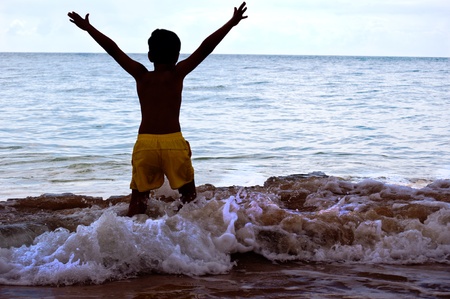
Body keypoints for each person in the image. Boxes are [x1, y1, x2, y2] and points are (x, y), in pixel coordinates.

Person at [68, 3, 248, 216]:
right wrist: (231, 23)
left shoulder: (141, 75)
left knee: (138, 200)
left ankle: (134, 235)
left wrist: (89, 28)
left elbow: (113, 50)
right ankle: (190, 235)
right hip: (173, 142)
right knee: (189, 197)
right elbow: (206, 47)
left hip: (145, 144)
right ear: (177, 55)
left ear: (150, 55)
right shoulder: (177, 73)